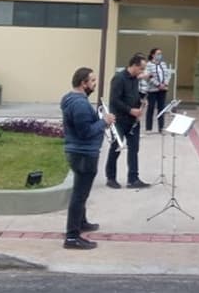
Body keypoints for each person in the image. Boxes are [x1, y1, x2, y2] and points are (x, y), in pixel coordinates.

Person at [60, 67, 115, 250]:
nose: (94, 84)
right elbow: (85, 132)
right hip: (84, 153)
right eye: (92, 81)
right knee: (80, 194)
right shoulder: (80, 104)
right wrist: (104, 122)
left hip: (80, 152)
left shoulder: (73, 99)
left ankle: (81, 222)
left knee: (80, 190)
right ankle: (72, 236)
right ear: (83, 83)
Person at [105, 54, 150, 189]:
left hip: (133, 121)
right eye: (141, 69)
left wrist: (141, 101)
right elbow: (114, 100)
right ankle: (111, 178)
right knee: (116, 148)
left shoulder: (135, 79)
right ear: (134, 66)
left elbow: (133, 95)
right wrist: (130, 110)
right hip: (119, 119)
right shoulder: (119, 78)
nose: (142, 72)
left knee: (134, 149)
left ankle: (133, 178)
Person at [145, 48, 171, 132]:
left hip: (163, 90)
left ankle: (161, 128)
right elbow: (149, 76)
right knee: (151, 108)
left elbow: (167, 74)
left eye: (161, 54)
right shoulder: (148, 64)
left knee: (161, 108)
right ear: (153, 55)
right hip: (152, 90)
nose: (160, 55)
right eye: (158, 54)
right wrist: (158, 84)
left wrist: (165, 84)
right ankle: (148, 128)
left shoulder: (163, 64)